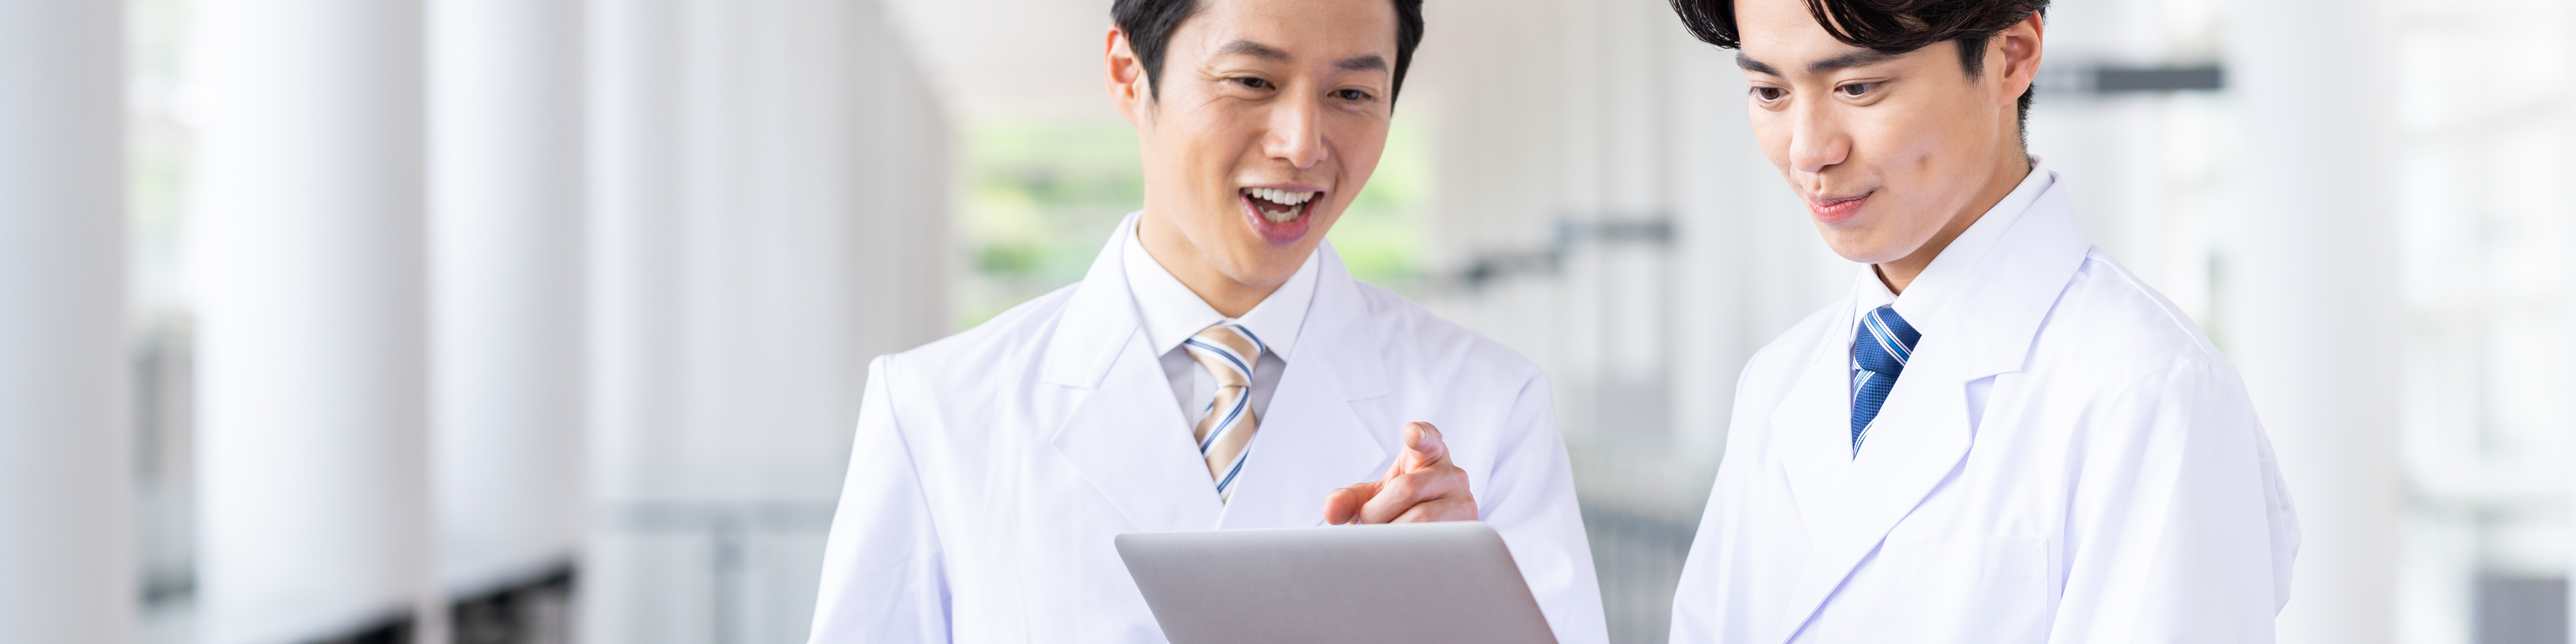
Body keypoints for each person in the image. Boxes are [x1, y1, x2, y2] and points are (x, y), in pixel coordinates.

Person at [802, 0, 1609, 641]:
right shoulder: (935, 408)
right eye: (1252, 82)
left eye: (1352, 93)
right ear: (1128, 72)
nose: (1302, 143)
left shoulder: (1492, 407)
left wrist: (1458, 617)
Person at [1659, 0, 2299, 641]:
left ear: (2010, 57)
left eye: (1857, 87)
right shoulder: (1778, 379)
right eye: (1769, 91)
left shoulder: (2149, 388)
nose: (1808, 152)